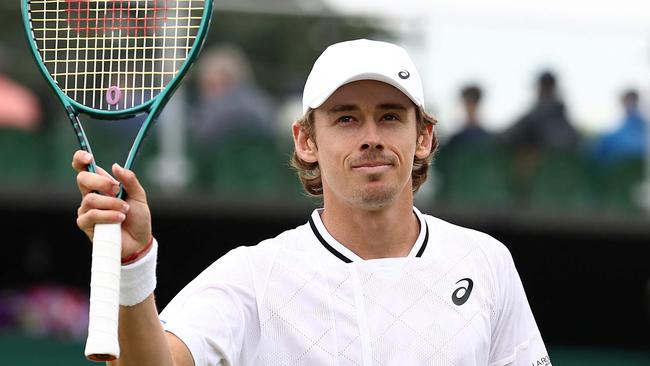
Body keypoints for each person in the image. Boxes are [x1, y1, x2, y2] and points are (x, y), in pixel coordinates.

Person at [72, 39, 551, 366]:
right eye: (346, 119)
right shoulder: (253, 274)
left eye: (389, 117)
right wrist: (133, 263)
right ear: (305, 140)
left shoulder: (486, 262)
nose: (370, 138)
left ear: (423, 136)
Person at [504, 70, 579, 151]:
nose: (541, 92)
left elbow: (504, 138)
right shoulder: (532, 117)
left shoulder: (533, 118)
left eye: (545, 88)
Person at [593, 89, 647, 164]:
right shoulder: (613, 134)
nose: (629, 104)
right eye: (627, 102)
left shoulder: (641, 124)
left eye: (631, 101)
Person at [445, 84, 492, 150]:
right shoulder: (456, 139)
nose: (470, 106)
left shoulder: (488, 140)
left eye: (472, 101)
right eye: (468, 101)